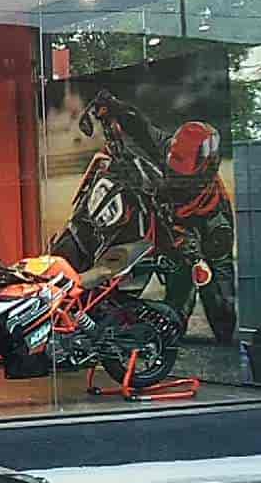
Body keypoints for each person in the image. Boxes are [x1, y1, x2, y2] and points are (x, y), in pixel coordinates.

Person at [86, 89, 237, 342]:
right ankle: (170, 326)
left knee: (220, 303)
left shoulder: (216, 213)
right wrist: (115, 105)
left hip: (202, 235)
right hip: (172, 226)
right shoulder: (167, 149)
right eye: (173, 168)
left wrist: (194, 255)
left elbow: (203, 251)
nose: (176, 177)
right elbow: (140, 126)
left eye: (183, 175)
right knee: (177, 295)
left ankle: (220, 331)